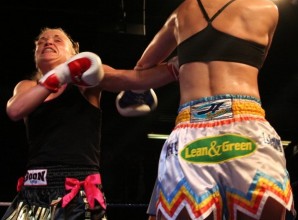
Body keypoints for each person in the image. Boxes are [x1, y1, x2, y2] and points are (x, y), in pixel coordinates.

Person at [124, 0, 296, 219]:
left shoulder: (182, 12)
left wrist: (180, 62)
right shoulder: (268, 10)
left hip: (192, 128)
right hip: (248, 124)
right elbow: (257, 62)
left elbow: (143, 65)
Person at [3, 26, 176, 220]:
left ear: (74, 53)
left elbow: (132, 78)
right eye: (41, 41)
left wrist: (175, 67)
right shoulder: (26, 86)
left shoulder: (87, 82)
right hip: (33, 188)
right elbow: (15, 110)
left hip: (77, 188)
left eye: (57, 39)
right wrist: (60, 75)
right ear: (35, 54)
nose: (48, 42)